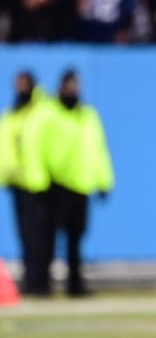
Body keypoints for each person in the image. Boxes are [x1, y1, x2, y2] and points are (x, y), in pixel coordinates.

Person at [42, 70, 114, 297]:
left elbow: (98, 149)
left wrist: (104, 180)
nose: (72, 90)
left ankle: (75, 285)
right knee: (49, 237)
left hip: (81, 183)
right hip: (56, 183)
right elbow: (41, 147)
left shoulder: (87, 115)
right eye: (69, 85)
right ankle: (43, 283)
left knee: (76, 238)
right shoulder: (50, 113)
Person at [0, 71, 55, 296]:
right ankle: (31, 280)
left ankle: (42, 280)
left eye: (24, 84)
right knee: (26, 235)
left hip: (43, 181)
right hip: (20, 183)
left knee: (42, 234)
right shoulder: (13, 114)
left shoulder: (45, 112)